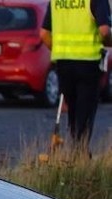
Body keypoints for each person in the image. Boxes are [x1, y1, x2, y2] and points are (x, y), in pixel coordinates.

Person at [41, 1, 112, 150]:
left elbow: (44, 34)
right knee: (84, 113)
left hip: (64, 62)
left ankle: (76, 153)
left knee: (72, 112)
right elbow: (104, 31)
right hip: (88, 62)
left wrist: (60, 49)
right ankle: (80, 154)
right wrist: (108, 42)